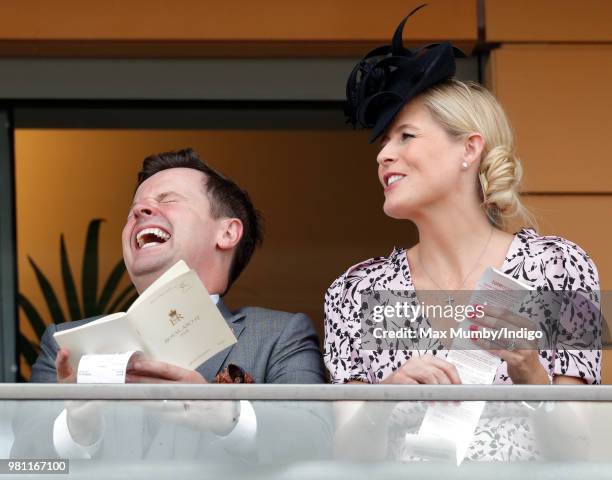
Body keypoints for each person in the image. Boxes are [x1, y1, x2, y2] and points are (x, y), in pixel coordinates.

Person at [325, 6, 601, 461]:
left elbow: (582, 453)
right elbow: (346, 460)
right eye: (384, 143)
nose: (383, 156)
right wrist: (383, 402)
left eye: (406, 136)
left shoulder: (559, 268)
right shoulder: (357, 290)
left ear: (469, 149)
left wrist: (531, 373)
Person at [12, 148, 328, 460]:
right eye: (133, 209)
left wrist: (227, 417)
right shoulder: (66, 347)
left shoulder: (278, 335)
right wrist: (76, 428)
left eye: (167, 201)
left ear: (227, 232)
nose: (139, 212)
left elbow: (315, 439)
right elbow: (23, 462)